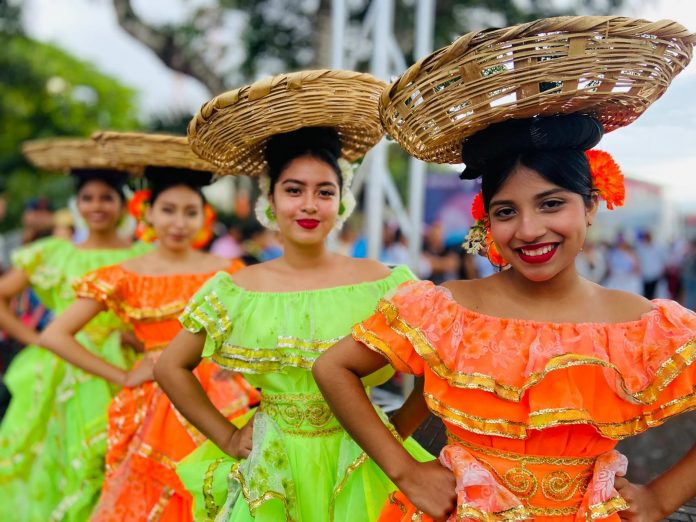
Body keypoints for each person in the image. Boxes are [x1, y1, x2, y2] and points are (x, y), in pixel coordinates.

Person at [314, 17, 696, 521]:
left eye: (551, 204)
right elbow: (332, 367)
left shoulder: (639, 324)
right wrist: (404, 470)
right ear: (486, 221)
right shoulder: (444, 310)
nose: (529, 229)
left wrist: (663, 495)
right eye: (506, 211)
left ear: (591, 207)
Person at [155, 70, 431, 522]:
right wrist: (226, 438)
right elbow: (170, 365)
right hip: (272, 467)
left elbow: (433, 366)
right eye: (293, 190)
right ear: (270, 200)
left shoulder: (387, 282)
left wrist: (398, 429)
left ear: (341, 202)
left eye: (324, 191)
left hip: (365, 460)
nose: (308, 205)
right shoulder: (236, 290)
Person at [40, 146, 259, 520]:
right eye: (168, 210)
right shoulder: (125, 273)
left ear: (203, 218)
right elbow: (55, 334)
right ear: (148, 213)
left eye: (190, 212)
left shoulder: (229, 269)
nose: (179, 222)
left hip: (222, 399)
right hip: (153, 405)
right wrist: (122, 376)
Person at [0, 138, 149, 521]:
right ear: (76, 205)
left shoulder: (140, 256)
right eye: (88, 198)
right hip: (60, 370)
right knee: (57, 456)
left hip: (125, 367)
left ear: (121, 206)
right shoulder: (54, 252)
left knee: (116, 460)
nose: (96, 206)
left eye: (106, 198)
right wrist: (36, 339)